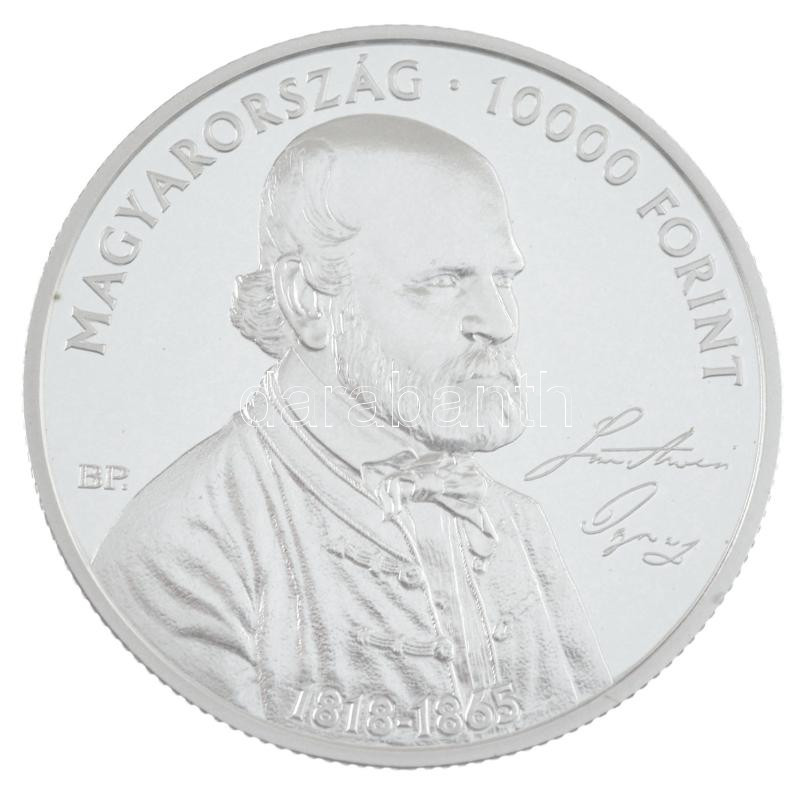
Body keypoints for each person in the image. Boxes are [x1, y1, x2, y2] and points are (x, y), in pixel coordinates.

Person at [93, 114, 610, 744]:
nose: (500, 323)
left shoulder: (518, 524)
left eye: (503, 279)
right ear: (308, 298)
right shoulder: (186, 543)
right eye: (444, 281)